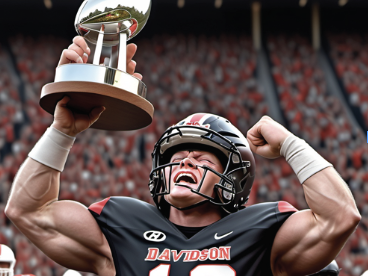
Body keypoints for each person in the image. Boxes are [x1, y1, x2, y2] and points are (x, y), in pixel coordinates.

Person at [5, 36, 361, 276]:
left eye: (204, 160)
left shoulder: (263, 233)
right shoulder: (121, 225)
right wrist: (61, 132)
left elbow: (340, 217)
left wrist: (289, 143)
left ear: (233, 181)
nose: (186, 162)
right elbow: (28, 211)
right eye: (177, 157)